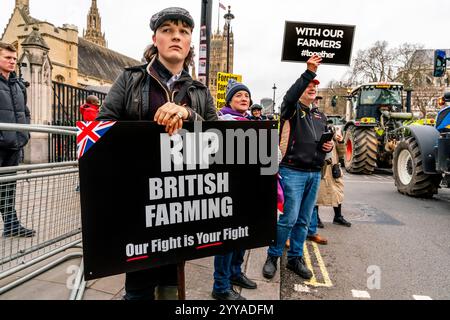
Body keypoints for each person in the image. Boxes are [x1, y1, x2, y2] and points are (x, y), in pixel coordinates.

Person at [96, 7, 218, 300]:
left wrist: (187, 113)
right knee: (138, 288)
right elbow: (101, 127)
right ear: (155, 38)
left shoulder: (200, 90)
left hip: (182, 203)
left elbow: (219, 137)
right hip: (140, 203)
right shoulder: (130, 80)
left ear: (189, 43)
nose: (176, 36)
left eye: (183, 32)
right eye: (167, 30)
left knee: (172, 285)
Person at [262, 55, 334, 280]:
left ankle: (295, 258)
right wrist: (309, 73)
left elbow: (319, 143)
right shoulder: (291, 109)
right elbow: (290, 96)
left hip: (313, 172)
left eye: (315, 86)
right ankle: (273, 256)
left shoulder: (320, 115)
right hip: (292, 171)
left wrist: (326, 145)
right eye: (309, 85)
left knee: (304, 220)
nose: (313, 88)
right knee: (288, 219)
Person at [212, 79, 257, 300]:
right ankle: (220, 286)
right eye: (239, 95)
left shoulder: (251, 122)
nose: (244, 99)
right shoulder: (221, 120)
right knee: (226, 239)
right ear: (229, 100)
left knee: (243, 236)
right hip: (226, 188)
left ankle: (235, 273)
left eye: (246, 96)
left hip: (246, 188)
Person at [0, 42, 35, 238]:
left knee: (8, 188)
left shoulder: (18, 85)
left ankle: (11, 225)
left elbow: (25, 112)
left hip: (13, 145)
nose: (12, 61)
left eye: (14, 58)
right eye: (7, 57)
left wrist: (24, 134)